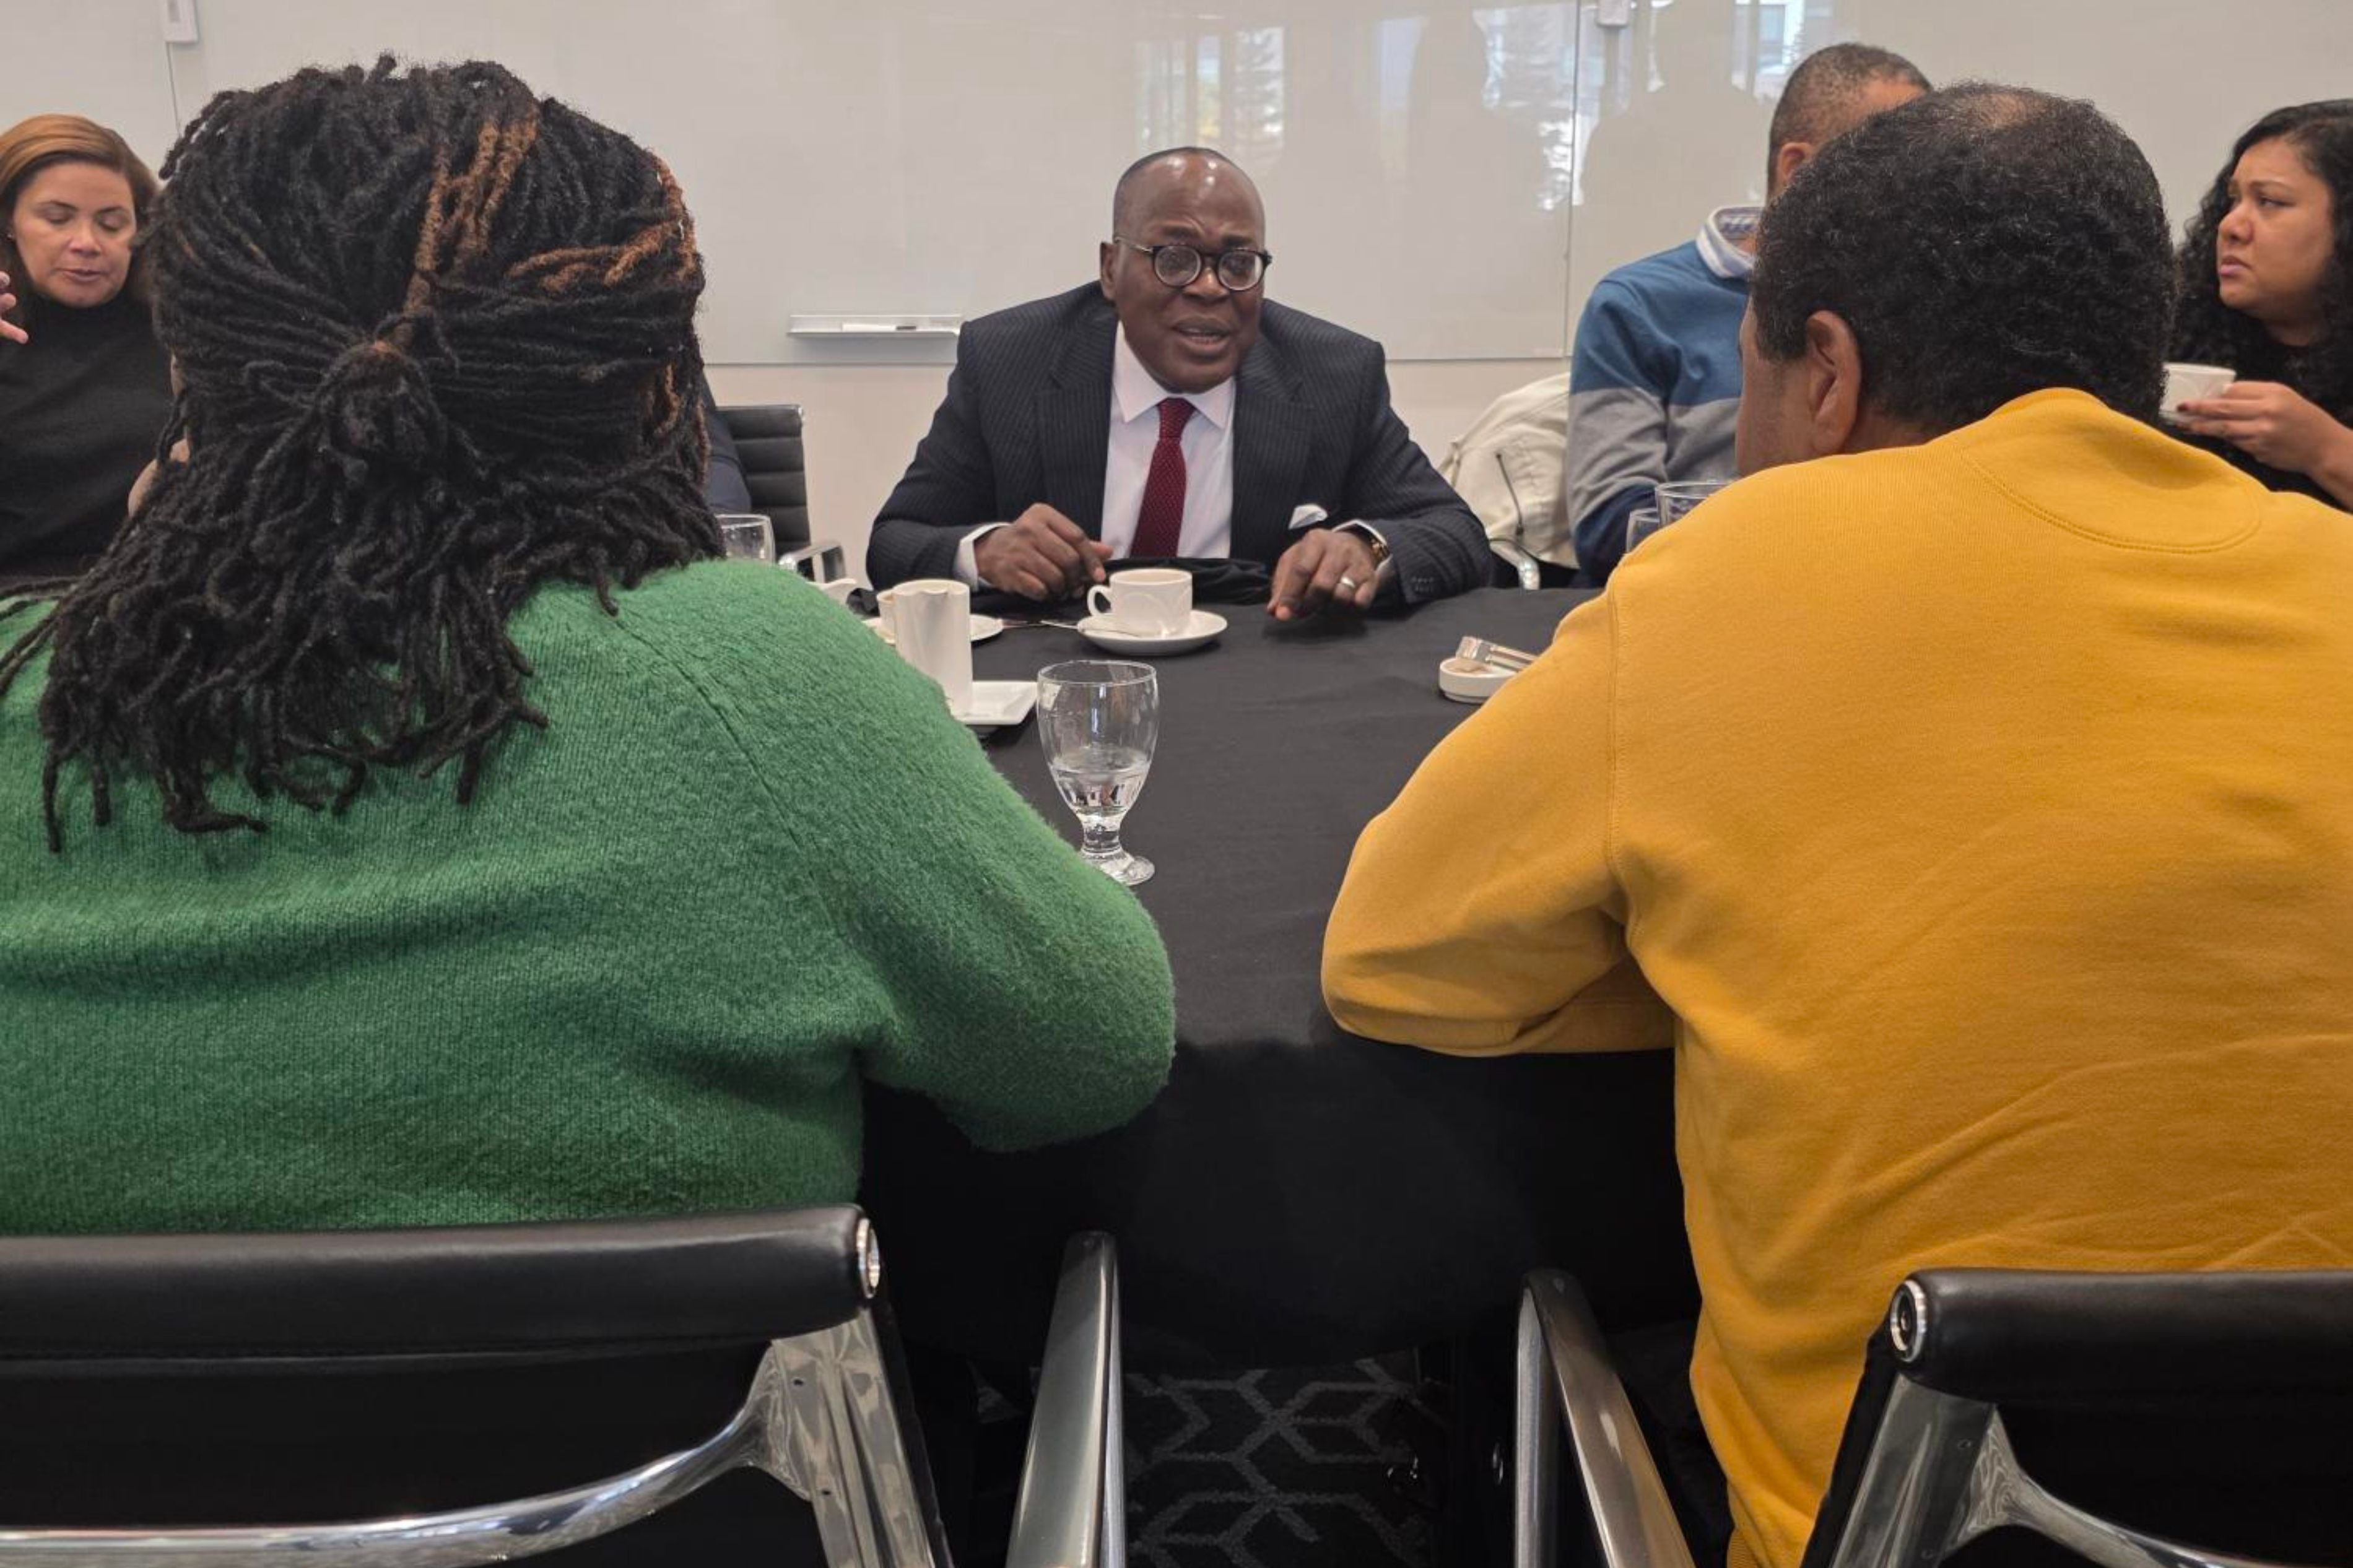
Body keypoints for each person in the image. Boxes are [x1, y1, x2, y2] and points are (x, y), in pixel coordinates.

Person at [1324, 86, 2353, 1568]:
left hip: (1898, 1522)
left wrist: (1728, 962)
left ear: (1825, 370)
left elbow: (1391, 959)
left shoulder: (1726, 581)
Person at [0, 58, 1174, 1239]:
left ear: (189, 371)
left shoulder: (27, 693)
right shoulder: (752, 679)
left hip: (88, 1430)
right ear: (645, 377)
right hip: (694, 1426)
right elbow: (1093, 1052)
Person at [866, 147, 1492, 619]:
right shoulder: (1010, 360)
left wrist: (1366, 550)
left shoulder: (1332, 373)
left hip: (1259, 681)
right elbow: (896, 542)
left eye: (1238, 263)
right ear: (1111, 269)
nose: (1209, 287)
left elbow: (1455, 534)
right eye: (1174, 258)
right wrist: (985, 552)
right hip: (1063, 674)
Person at [1562, 42, 1928, 583]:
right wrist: (1801, 537)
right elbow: (1613, 527)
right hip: (1706, 604)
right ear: (1798, 171)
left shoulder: (1923, 303)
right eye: (1895, 171)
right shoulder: (1639, 306)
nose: (1921, 199)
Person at [0, 114, 172, 586]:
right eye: (57, 219)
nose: (87, 243)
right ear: (9, 221)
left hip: (162, 594)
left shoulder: (178, 334)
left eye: (112, 223)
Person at [2169, 100, 2353, 509]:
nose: (2230, 226)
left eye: (2269, 202)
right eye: (2233, 200)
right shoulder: (2172, 329)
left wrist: (2322, 448)